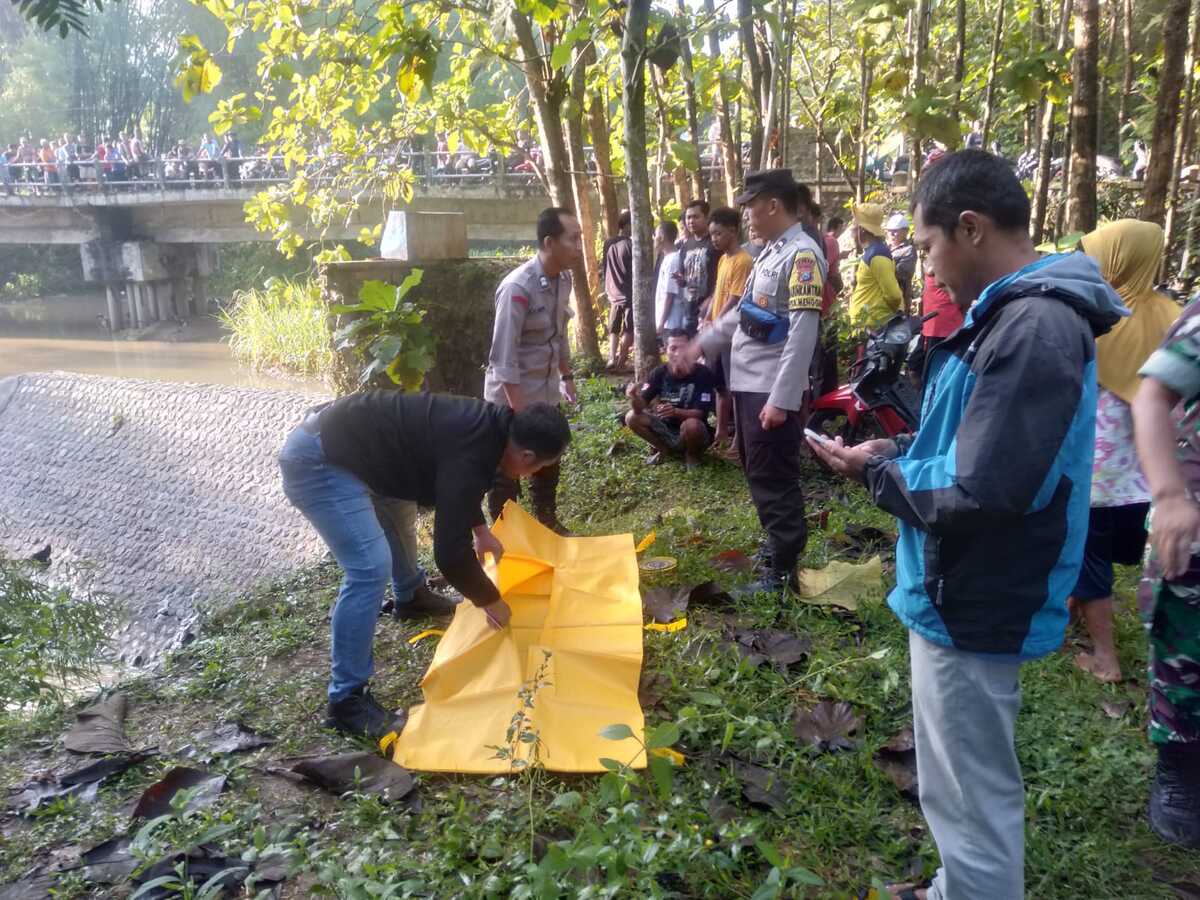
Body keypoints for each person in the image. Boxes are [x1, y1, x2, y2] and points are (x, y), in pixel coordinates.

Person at [808, 150, 1125, 900]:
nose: (929, 268)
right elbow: (969, 447)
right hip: (963, 582)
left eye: (926, 248)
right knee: (957, 780)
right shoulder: (1013, 317)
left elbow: (982, 488)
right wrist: (897, 449)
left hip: (978, 590)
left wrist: (876, 473)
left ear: (971, 228)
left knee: (970, 791)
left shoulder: (1034, 326)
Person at [279, 393, 571, 738]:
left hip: (364, 455)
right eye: (536, 468)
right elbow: (449, 554)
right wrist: (491, 600)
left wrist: (480, 530)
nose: (532, 473)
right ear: (526, 456)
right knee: (369, 568)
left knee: (399, 511)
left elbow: (457, 485)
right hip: (320, 459)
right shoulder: (475, 447)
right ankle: (345, 702)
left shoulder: (494, 428)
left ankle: (411, 596)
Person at [687, 169, 827, 595]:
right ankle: (777, 548)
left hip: (771, 389)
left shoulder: (803, 255)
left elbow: (803, 332)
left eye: (751, 205)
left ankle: (782, 572)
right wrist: (700, 344)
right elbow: (743, 314)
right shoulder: (768, 253)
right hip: (750, 384)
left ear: (773, 204)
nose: (745, 213)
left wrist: (782, 400)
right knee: (757, 469)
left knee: (773, 476)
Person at [1069, 221, 1180, 684]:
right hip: (1150, 475)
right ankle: (1073, 612)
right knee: (1109, 555)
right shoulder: (1176, 317)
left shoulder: (1100, 320)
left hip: (1097, 472)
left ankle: (1105, 657)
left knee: (1089, 558)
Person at [1132, 297, 1200, 849]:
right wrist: (1171, 495)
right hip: (1195, 519)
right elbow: (1153, 394)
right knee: (1185, 650)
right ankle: (1179, 763)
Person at [485, 207, 581, 534]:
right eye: (574, 239)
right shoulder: (517, 288)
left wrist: (566, 376)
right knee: (506, 471)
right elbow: (503, 356)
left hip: (546, 392)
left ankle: (547, 522)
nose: (580, 246)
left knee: (548, 459)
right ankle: (506, 535)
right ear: (549, 242)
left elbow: (559, 332)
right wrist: (518, 412)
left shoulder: (563, 280)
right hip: (511, 398)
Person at [625, 330, 718, 470]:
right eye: (673, 348)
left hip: (695, 432)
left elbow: (701, 413)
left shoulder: (703, 373)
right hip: (665, 428)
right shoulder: (658, 373)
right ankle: (663, 449)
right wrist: (634, 397)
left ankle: (691, 455)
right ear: (665, 350)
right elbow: (639, 408)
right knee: (631, 417)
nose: (678, 353)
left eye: (683, 348)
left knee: (692, 425)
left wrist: (676, 411)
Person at [708, 206, 754, 450]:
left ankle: (739, 439)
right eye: (712, 234)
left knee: (734, 387)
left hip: (732, 334)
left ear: (733, 231)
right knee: (720, 386)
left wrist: (716, 324)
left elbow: (735, 298)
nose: (714, 238)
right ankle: (720, 432)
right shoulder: (723, 259)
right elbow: (718, 292)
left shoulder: (743, 260)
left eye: (718, 233)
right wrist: (707, 316)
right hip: (717, 333)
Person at [847, 202, 904, 334]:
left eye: (854, 224)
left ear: (862, 229)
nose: (851, 228)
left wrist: (884, 318)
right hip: (867, 328)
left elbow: (894, 296)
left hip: (874, 330)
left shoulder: (877, 255)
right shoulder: (872, 252)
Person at [675, 199, 719, 334]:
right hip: (688, 309)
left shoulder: (715, 244)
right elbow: (684, 277)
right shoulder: (685, 246)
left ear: (706, 218)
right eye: (688, 217)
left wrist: (711, 299)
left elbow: (722, 277)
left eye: (696, 217)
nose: (691, 221)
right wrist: (680, 280)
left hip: (710, 310)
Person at [602, 210, 634, 371]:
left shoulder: (608, 243)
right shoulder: (631, 245)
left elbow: (604, 266)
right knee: (629, 328)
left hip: (613, 291)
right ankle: (621, 360)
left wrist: (607, 287)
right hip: (629, 293)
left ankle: (610, 358)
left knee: (613, 327)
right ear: (627, 225)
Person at [653, 220, 683, 336]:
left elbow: (669, 294)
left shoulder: (673, 260)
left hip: (672, 322)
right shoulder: (667, 258)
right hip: (667, 321)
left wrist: (661, 323)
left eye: (655, 235)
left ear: (662, 237)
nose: (654, 238)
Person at [885, 212, 917, 307]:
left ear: (905, 231)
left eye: (896, 231)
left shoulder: (908, 250)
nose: (892, 234)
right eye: (890, 231)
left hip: (899, 297)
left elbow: (901, 274)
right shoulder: (885, 248)